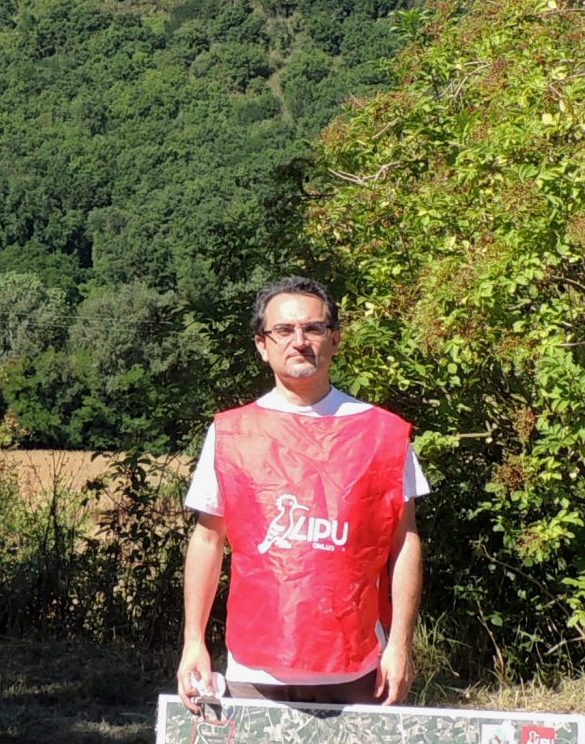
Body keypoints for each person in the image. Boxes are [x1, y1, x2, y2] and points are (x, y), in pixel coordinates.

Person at [177, 277, 428, 707]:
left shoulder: (381, 433)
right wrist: (193, 642)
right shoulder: (230, 433)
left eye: (313, 329)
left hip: (356, 666)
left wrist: (401, 645)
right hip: (254, 667)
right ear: (262, 344)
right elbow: (207, 539)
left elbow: (404, 542)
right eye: (284, 331)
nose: (300, 341)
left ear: (334, 340)